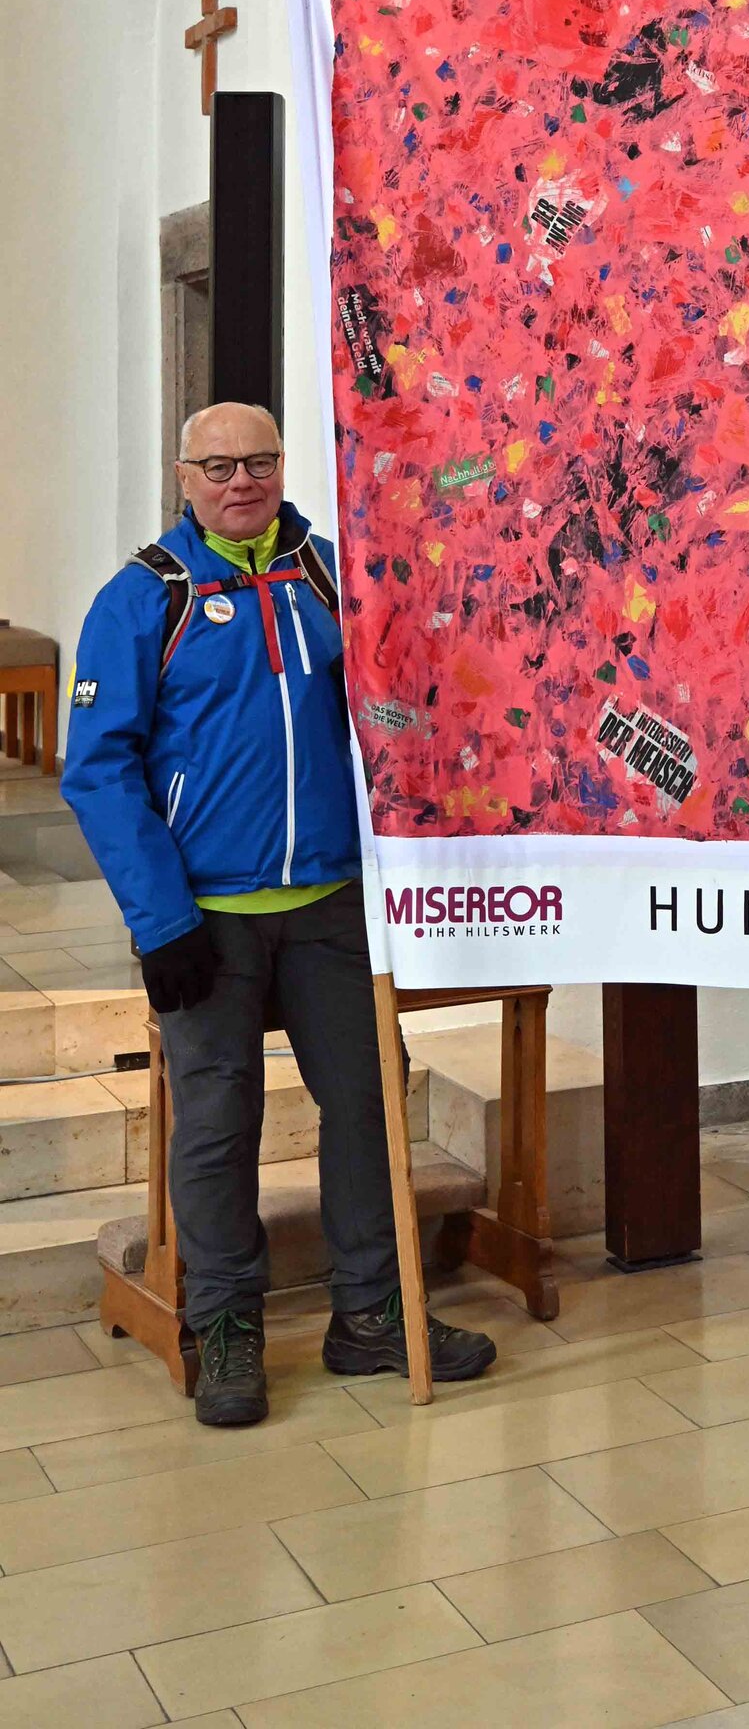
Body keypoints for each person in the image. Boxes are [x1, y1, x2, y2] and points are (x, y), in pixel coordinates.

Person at [63, 403, 496, 1426]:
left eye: (259, 461)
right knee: (219, 1127)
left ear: (282, 466)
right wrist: (160, 921)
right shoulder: (144, 599)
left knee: (367, 1103)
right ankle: (225, 1326)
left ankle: (372, 1313)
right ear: (184, 476)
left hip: (332, 906)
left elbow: (399, 716)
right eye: (218, 467)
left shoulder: (331, 579)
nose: (241, 481)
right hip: (206, 918)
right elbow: (99, 773)